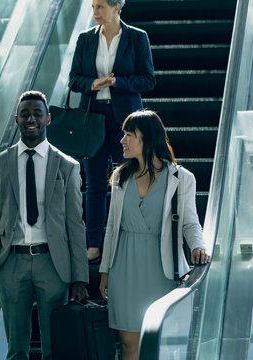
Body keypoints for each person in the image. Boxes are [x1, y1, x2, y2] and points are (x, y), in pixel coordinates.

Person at [0, 90, 89, 359]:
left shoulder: (68, 166)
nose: (31, 119)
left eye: (37, 114)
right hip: (11, 263)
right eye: (25, 114)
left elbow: (75, 225)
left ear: (48, 119)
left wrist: (80, 277)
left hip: (52, 263)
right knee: (16, 349)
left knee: (55, 348)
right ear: (16, 119)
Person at [98, 110, 211, 360]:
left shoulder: (181, 178)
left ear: (147, 138)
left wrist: (198, 247)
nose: (122, 141)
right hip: (123, 266)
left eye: (129, 134)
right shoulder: (120, 176)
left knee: (159, 342)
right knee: (128, 344)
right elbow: (112, 227)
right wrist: (105, 270)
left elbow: (190, 222)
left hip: (161, 269)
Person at [69, 0, 156, 263]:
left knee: (128, 183)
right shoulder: (85, 39)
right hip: (92, 119)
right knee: (94, 183)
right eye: (93, 7)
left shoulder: (137, 37)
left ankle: (125, 239)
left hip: (126, 121)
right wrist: (94, 83)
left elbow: (148, 79)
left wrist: (118, 82)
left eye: (100, 7)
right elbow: (74, 80)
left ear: (117, 7)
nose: (94, 13)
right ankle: (94, 244)